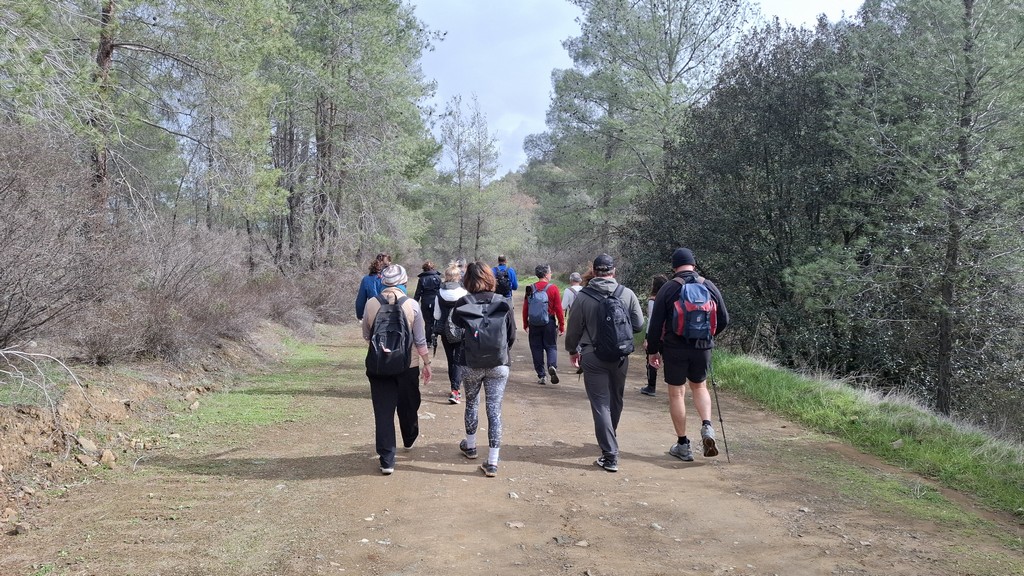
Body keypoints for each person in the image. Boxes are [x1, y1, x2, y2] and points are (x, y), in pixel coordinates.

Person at [646, 248, 729, 462]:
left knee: (677, 394)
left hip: (674, 348)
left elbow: (655, 325)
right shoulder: (708, 285)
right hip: (702, 347)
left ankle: (683, 445)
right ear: (694, 264)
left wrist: (653, 351)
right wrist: (708, 336)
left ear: (674, 266)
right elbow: (724, 319)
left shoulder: (668, 288)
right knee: (700, 387)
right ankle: (707, 426)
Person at [565, 254, 645, 472]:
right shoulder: (627, 293)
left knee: (600, 403)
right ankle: (610, 436)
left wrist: (572, 350)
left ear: (594, 271)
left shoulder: (583, 297)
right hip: (620, 356)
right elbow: (639, 324)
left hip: (592, 356)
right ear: (613, 271)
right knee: (616, 399)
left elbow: (573, 328)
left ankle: (610, 455)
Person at [361, 264, 432, 475]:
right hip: (407, 365)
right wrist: (427, 363)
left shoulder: (371, 303)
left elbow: (366, 335)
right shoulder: (412, 305)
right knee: (409, 405)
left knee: (383, 412)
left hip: (379, 366)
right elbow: (420, 340)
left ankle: (387, 461)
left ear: (383, 281)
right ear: (403, 281)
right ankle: (409, 437)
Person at [453, 262, 516, 477]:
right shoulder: (503, 302)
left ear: (467, 281)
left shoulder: (463, 303)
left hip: (471, 362)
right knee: (494, 410)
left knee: (471, 403)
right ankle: (492, 462)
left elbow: (455, 328)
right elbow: (511, 335)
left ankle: (470, 447)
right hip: (499, 363)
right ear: (491, 278)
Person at [522, 264, 565, 385]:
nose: (551, 274)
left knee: (536, 348)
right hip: (549, 322)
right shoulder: (553, 288)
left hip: (534, 323)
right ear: (546, 274)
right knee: (551, 346)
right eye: (550, 272)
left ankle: (541, 375)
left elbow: (526, 307)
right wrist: (561, 325)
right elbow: (558, 309)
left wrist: (525, 323)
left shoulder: (530, 288)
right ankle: (552, 366)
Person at [434, 262, 468, 404]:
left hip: (445, 330)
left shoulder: (439, 293)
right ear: (458, 277)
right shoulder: (464, 293)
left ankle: (454, 388)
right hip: (461, 330)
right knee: (458, 361)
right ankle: (456, 390)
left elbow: (436, 315)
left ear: (446, 277)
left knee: (450, 360)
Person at [639, 274, 669, 397]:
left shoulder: (653, 300)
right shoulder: (670, 298)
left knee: (651, 359)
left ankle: (651, 386)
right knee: (668, 361)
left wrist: (647, 338)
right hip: (668, 334)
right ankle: (672, 386)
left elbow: (651, 320)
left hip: (656, 335)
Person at [355, 252, 391, 320]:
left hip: (374, 315)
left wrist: (360, 316)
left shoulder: (366, 279)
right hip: (391, 315)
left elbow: (360, 302)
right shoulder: (393, 279)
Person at [413, 261, 442, 342]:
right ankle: (434, 337)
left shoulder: (421, 279)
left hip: (425, 302)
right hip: (435, 301)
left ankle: (428, 340)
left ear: (424, 269)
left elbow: (418, 293)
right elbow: (441, 291)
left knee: (428, 322)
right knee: (435, 320)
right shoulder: (438, 277)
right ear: (433, 268)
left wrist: (414, 303)